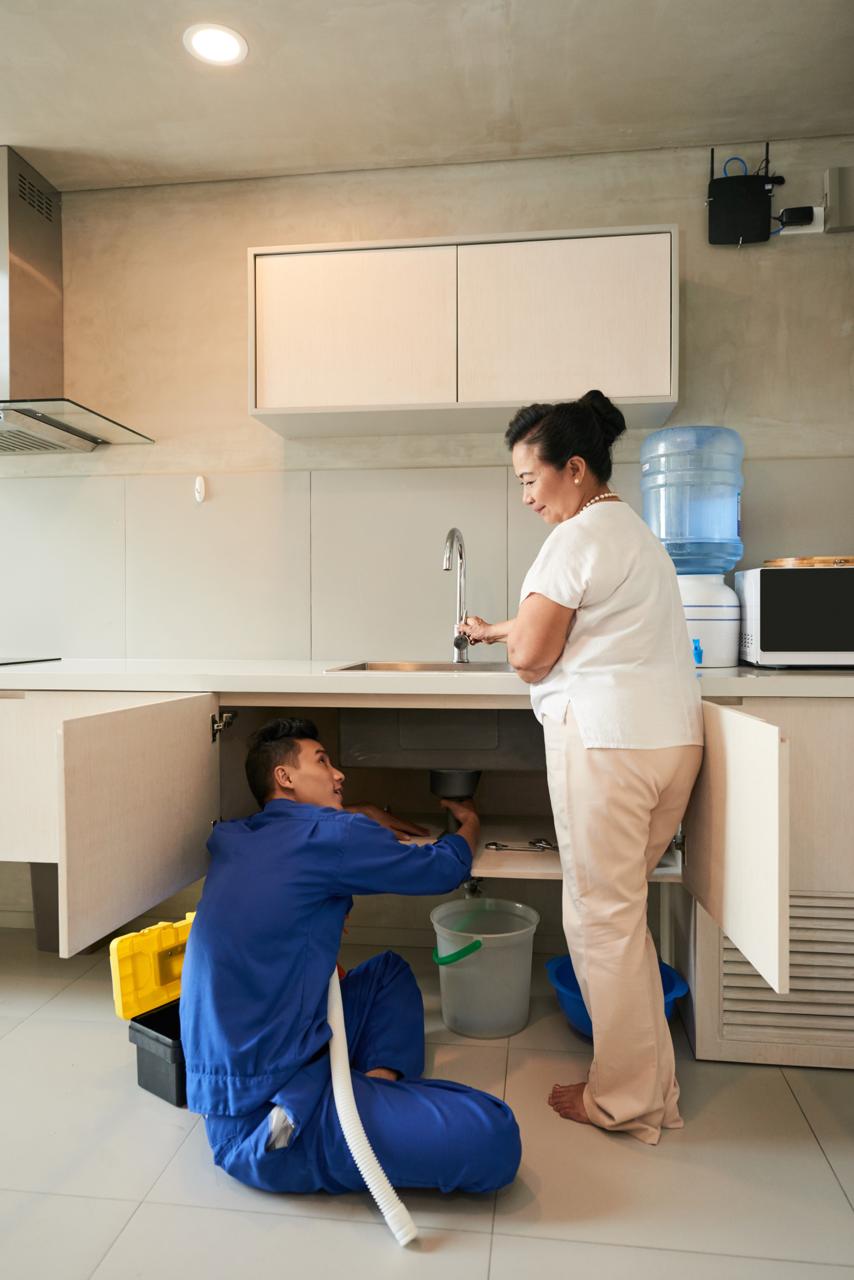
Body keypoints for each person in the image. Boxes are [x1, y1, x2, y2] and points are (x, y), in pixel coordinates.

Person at [459, 390, 703, 1146]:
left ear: (572, 468)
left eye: (530, 480)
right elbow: (580, 624)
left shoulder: (570, 540)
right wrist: (501, 626)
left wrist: (515, 642)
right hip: (669, 746)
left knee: (601, 922)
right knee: (623, 918)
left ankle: (622, 1102)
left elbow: (537, 654)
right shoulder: (631, 530)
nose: (527, 497)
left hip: (607, 746)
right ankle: (651, 1091)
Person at [180, 717, 521, 1195]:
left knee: (388, 974)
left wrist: (357, 817)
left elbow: (314, 848)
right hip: (271, 1124)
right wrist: (470, 825)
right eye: (322, 762)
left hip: (240, 1083)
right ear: (285, 777)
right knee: (496, 1136)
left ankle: (369, 1093)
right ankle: (358, 1112)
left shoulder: (240, 836)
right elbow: (442, 868)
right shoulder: (332, 837)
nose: (339, 774)